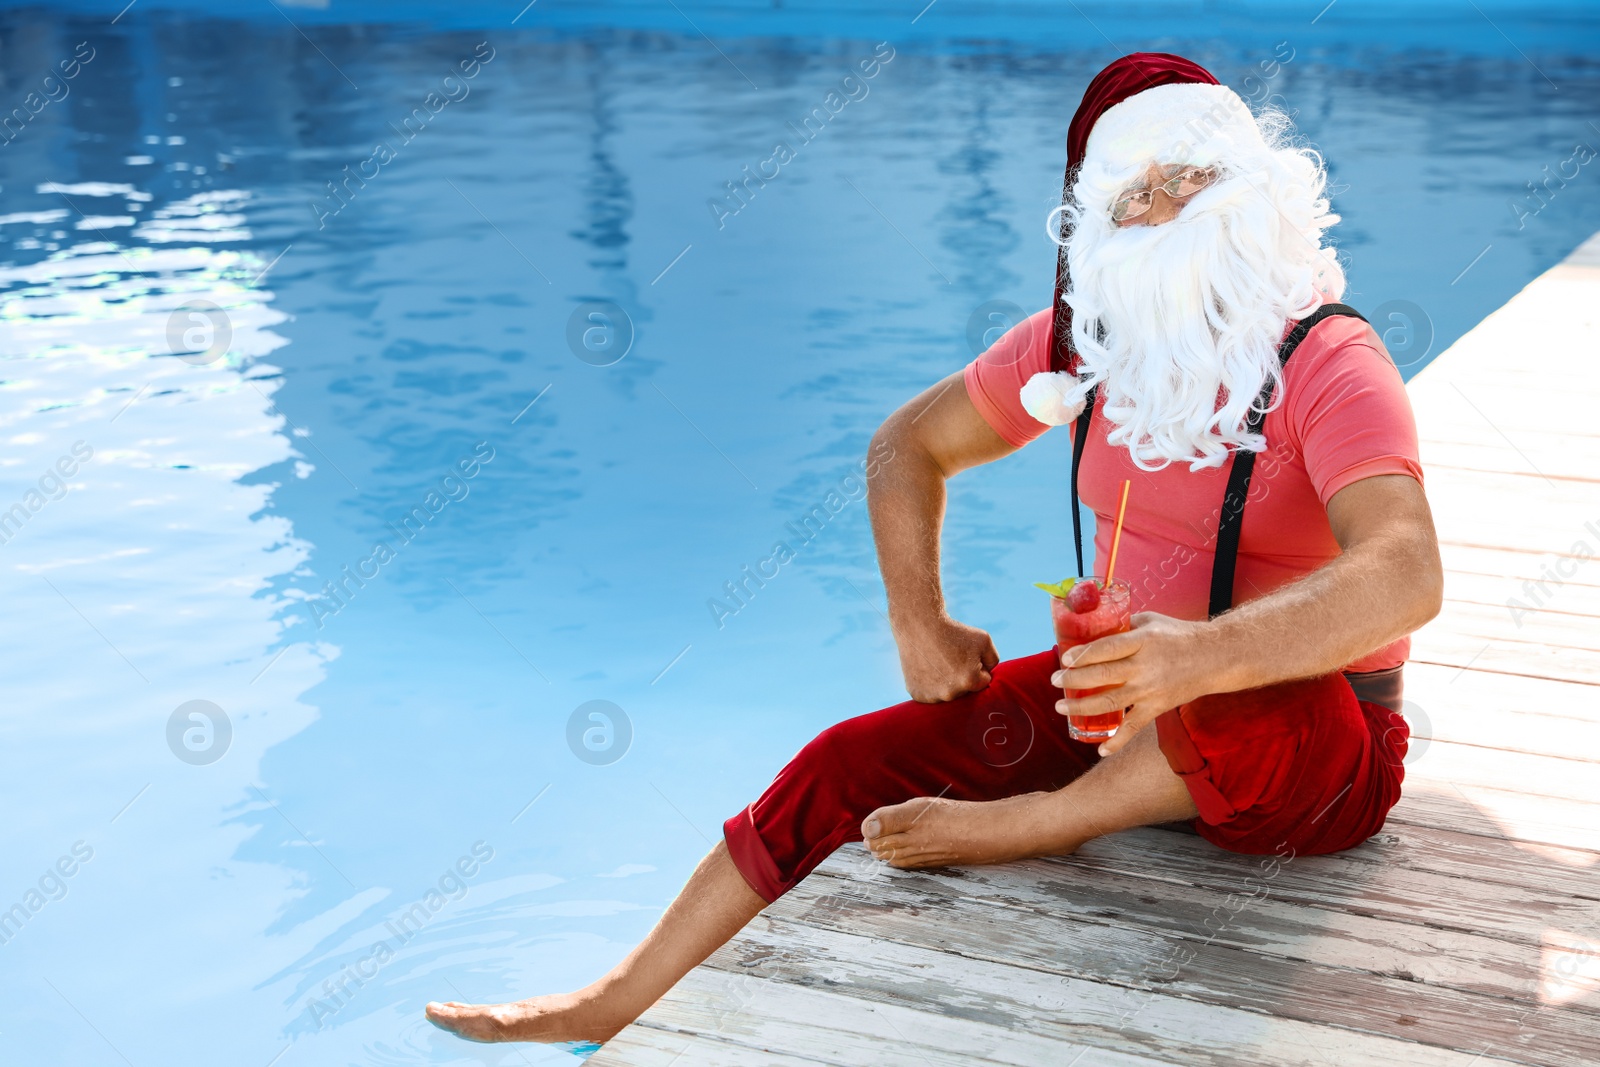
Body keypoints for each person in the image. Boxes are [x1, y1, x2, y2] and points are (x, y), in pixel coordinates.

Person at [425, 51, 1441, 1045]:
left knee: (1258, 690)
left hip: (1315, 753)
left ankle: (1040, 820)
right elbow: (903, 445)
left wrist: (1192, 659)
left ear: (1251, 188)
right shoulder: (1079, 344)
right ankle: (611, 996)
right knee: (847, 759)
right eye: (1137, 192)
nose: (1168, 210)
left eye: (1193, 179)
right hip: (1121, 708)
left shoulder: (1329, 358)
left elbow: (1406, 569)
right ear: (1095, 222)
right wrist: (920, 617)